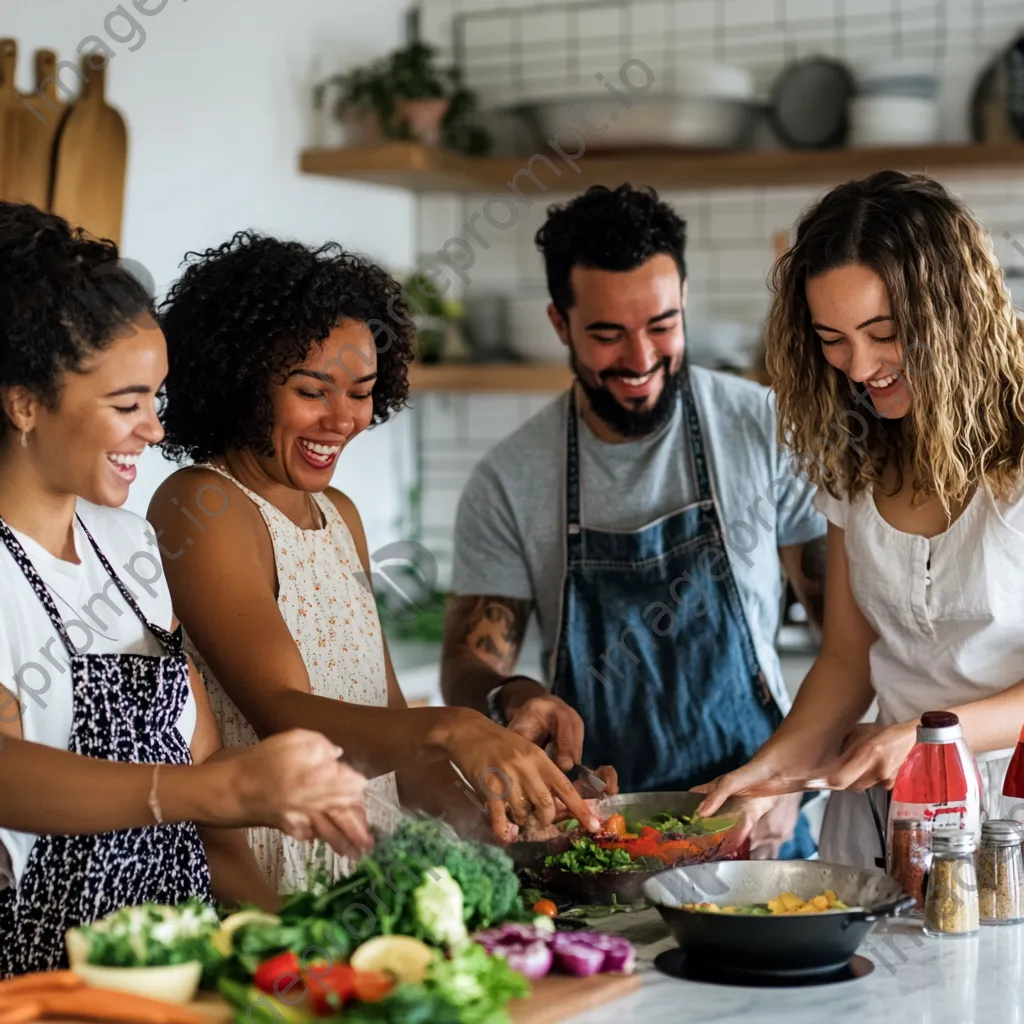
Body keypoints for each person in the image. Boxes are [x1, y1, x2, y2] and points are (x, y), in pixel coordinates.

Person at [149, 232, 600, 892]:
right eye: (313, 391)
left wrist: (511, 813)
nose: (343, 419)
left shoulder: (340, 515)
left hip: (371, 865)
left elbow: (392, 737)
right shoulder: (204, 503)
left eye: (360, 392)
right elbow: (284, 712)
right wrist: (454, 728)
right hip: (273, 870)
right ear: (239, 384)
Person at [0, 203, 371, 976]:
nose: (154, 430)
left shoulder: (133, 548)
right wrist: (216, 789)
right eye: (126, 404)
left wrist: (296, 959)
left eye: (157, 401)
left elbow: (212, 810)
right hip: (49, 983)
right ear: (24, 402)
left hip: (184, 969)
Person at [441, 184, 827, 859]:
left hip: (755, 826)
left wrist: (796, 774)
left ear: (684, 299)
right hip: (595, 837)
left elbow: (849, 643)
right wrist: (514, 693)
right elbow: (467, 661)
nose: (642, 359)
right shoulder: (509, 478)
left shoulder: (766, 430)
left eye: (662, 325)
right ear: (560, 324)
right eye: (608, 334)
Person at [698, 170, 1024, 868]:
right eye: (833, 338)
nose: (861, 366)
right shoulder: (859, 455)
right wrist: (769, 771)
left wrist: (928, 737)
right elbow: (847, 660)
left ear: (953, 315)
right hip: (885, 815)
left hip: (1006, 817)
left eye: (885, 333)